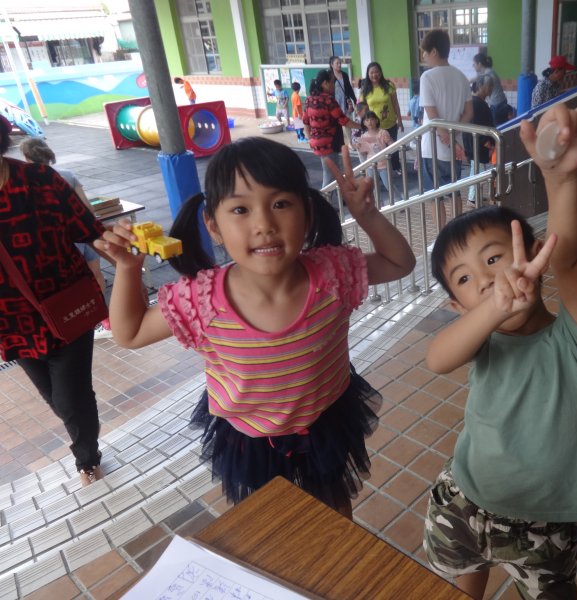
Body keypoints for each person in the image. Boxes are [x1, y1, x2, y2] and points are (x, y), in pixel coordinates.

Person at [95, 137, 416, 516]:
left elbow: (400, 263)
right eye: (240, 209)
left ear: (307, 214)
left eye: (280, 204)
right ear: (213, 226)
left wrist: (367, 216)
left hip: (325, 421)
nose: (264, 224)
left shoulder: (333, 274)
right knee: (267, 521)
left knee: (333, 513)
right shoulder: (200, 299)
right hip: (250, 439)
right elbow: (130, 332)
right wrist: (128, 269)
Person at [424, 103, 577, 599]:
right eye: (465, 279)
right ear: (457, 306)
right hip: (465, 499)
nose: (486, 280)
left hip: (543, 524)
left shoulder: (574, 340)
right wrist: (493, 308)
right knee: (463, 573)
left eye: (495, 258)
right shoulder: (483, 339)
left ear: (533, 255)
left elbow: (571, 259)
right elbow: (436, 359)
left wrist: (559, 177)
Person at [0, 115, 107, 487]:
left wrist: (125, 255)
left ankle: (87, 460)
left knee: (71, 398)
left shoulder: (41, 180)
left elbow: (90, 230)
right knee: (59, 400)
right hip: (12, 323)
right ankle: (84, 431)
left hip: (66, 309)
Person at [18, 137, 106, 295]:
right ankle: (101, 307)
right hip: (86, 234)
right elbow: (87, 208)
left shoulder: (24, 184)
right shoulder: (67, 175)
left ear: (26, 157)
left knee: (76, 284)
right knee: (96, 274)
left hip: (64, 242)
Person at [418, 29, 472, 226]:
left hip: (432, 147)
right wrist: (453, 134)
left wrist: (445, 136)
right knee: (454, 191)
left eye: (424, 52)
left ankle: (442, 236)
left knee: (435, 196)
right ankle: (456, 233)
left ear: (434, 51)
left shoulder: (427, 77)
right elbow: (469, 113)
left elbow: (432, 116)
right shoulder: (461, 77)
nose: (423, 57)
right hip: (454, 147)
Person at [303, 69, 361, 194]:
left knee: (335, 170)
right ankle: (324, 200)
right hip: (329, 143)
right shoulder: (328, 100)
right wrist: (361, 126)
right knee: (329, 175)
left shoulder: (309, 100)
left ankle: (343, 196)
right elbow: (344, 120)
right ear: (325, 83)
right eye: (332, 82)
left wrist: (310, 139)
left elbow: (306, 122)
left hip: (317, 143)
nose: (334, 85)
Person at [359, 62, 404, 172]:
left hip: (390, 123)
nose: (374, 75)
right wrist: (364, 124)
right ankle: (381, 170)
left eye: (377, 72)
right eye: (371, 72)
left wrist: (400, 120)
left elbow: (395, 104)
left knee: (392, 147)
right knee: (377, 149)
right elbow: (362, 110)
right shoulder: (365, 90)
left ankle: (396, 167)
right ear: (368, 74)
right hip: (374, 127)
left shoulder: (389, 86)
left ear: (380, 73)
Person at [356, 110, 401, 203]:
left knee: (388, 185)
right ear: (364, 123)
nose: (369, 122)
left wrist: (390, 141)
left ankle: (400, 201)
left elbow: (392, 146)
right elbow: (364, 153)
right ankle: (379, 205)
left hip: (384, 164)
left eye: (372, 119)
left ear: (376, 120)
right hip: (371, 165)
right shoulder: (363, 136)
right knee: (373, 187)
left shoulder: (383, 133)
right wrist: (358, 148)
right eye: (367, 120)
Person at [463, 75, 495, 205]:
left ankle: (474, 197)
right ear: (481, 86)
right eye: (489, 86)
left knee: (477, 169)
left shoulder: (475, 102)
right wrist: (487, 143)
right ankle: (472, 198)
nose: (491, 89)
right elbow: (477, 126)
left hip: (475, 143)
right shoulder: (477, 103)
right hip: (477, 144)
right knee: (477, 171)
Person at [472, 52, 509, 125]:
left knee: (497, 127)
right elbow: (478, 78)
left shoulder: (488, 73)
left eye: (474, 64)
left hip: (498, 104)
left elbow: (480, 81)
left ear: (479, 64)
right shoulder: (487, 72)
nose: (473, 67)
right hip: (498, 103)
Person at [330, 56, 358, 149]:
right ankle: (339, 142)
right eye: (337, 63)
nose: (339, 65)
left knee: (347, 122)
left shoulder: (344, 75)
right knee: (336, 124)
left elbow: (349, 88)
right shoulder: (329, 76)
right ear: (332, 65)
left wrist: (354, 100)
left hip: (344, 103)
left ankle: (350, 142)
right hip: (334, 104)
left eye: (340, 63)